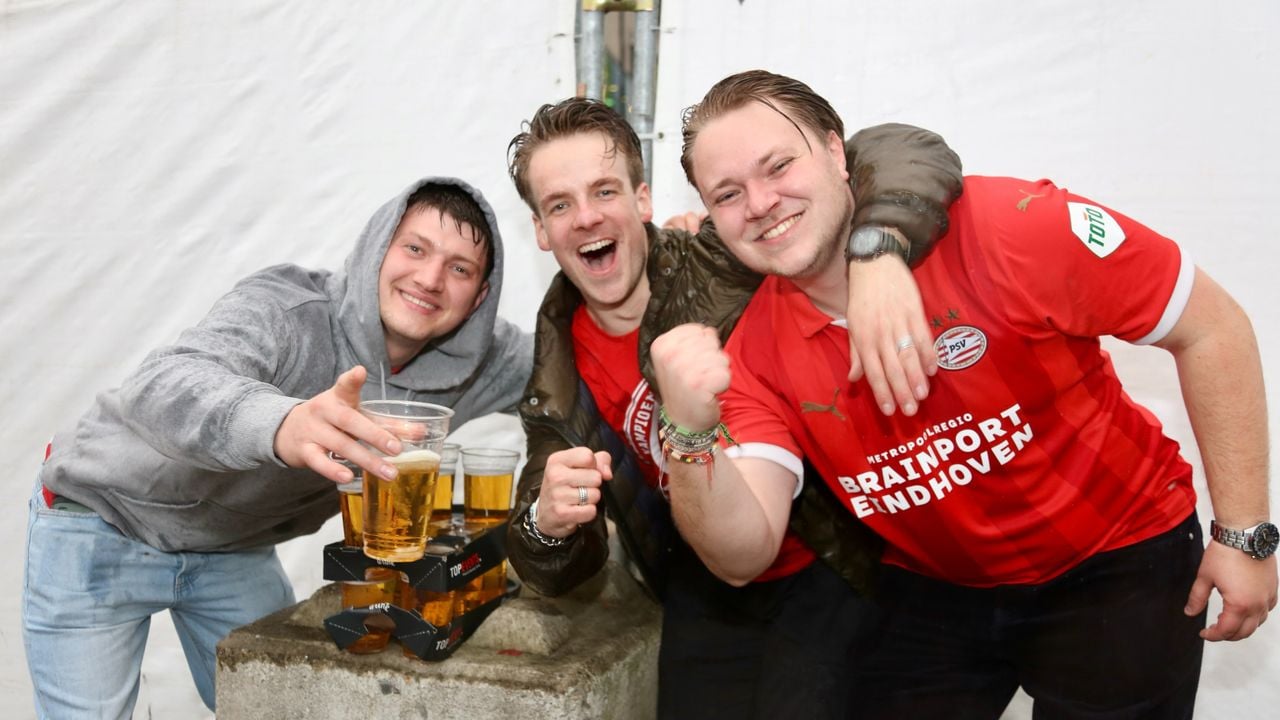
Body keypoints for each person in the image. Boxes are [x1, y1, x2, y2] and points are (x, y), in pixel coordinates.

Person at [651, 69, 1277, 719]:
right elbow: (740, 555)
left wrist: (1245, 535)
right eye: (727, 193)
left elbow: (1210, 327)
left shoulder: (1010, 227)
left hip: (1119, 558)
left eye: (778, 165)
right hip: (938, 586)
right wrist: (689, 433)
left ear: (837, 153)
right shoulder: (751, 353)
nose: (760, 202)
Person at [504, 97, 963, 718]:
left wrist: (878, 249)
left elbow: (895, 151)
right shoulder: (556, 363)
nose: (586, 217)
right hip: (706, 580)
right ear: (539, 229)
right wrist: (546, 524)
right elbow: (552, 563)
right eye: (560, 204)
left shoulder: (720, 252)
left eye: (605, 191)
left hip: (830, 556)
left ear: (643, 201)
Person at [23, 179, 532, 718]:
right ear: (375, 248)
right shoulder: (289, 308)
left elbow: (573, 359)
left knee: (285, 707)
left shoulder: (481, 360)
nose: (429, 279)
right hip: (102, 522)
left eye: (459, 268)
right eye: (415, 248)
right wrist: (283, 421)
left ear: (479, 296)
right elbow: (165, 380)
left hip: (233, 548)